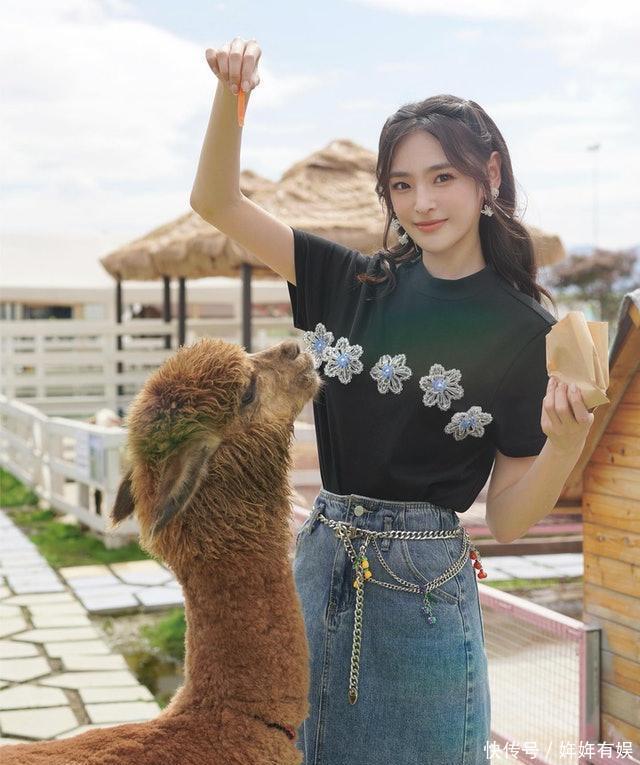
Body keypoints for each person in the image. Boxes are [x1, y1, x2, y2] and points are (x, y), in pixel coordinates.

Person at [190, 36, 595, 765]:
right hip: (319, 567)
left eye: (442, 177)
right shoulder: (350, 282)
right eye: (402, 185)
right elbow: (215, 201)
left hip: (423, 590)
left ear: (489, 175)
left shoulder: (524, 331)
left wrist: (565, 444)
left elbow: (507, 519)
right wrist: (232, 96)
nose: (422, 202)